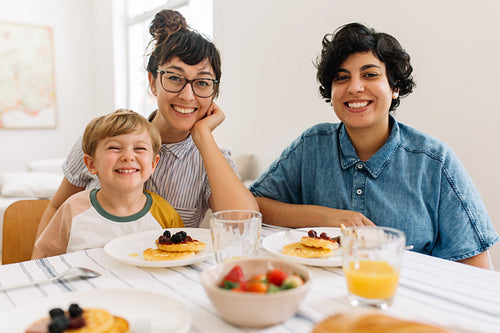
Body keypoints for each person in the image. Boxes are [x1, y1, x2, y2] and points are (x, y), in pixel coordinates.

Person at [249, 23, 498, 268]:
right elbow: (252, 205)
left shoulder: (434, 160)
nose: (355, 87)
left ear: (395, 87)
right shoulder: (312, 145)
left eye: (370, 75)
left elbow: (477, 268)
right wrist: (327, 217)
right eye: (341, 77)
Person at [35, 10, 258, 238]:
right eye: (174, 78)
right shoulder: (102, 137)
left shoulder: (212, 159)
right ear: (153, 82)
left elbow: (244, 226)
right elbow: (56, 208)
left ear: (214, 91)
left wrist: (203, 135)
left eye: (202, 83)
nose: (188, 96)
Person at [32, 109, 184, 258]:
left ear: (153, 164)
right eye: (114, 148)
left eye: (139, 148)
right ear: (91, 164)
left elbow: (181, 257)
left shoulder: (165, 214)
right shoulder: (73, 209)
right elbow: (43, 258)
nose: (128, 156)